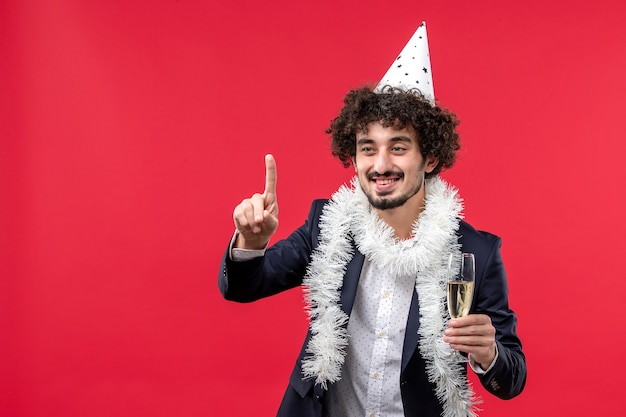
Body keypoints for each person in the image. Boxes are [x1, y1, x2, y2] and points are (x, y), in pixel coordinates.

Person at [218, 86, 526, 417]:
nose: (380, 164)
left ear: (430, 158)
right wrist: (251, 243)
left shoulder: (476, 251)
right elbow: (243, 287)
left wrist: (489, 353)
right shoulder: (327, 224)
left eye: (397, 147)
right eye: (368, 148)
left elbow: (511, 380)